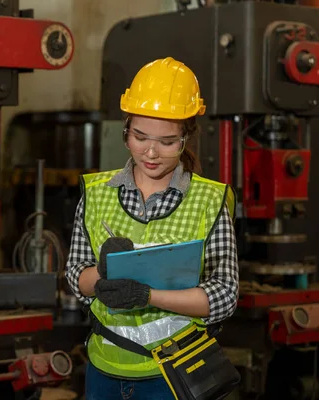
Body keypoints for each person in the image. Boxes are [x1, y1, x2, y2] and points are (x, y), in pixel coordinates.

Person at [65, 57, 239, 399]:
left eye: (168, 141)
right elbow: (75, 273)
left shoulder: (209, 199)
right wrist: (100, 275)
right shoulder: (97, 193)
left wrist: (148, 297)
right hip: (104, 367)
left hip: (175, 372)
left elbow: (224, 295)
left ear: (187, 137)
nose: (152, 152)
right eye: (140, 137)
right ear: (125, 130)